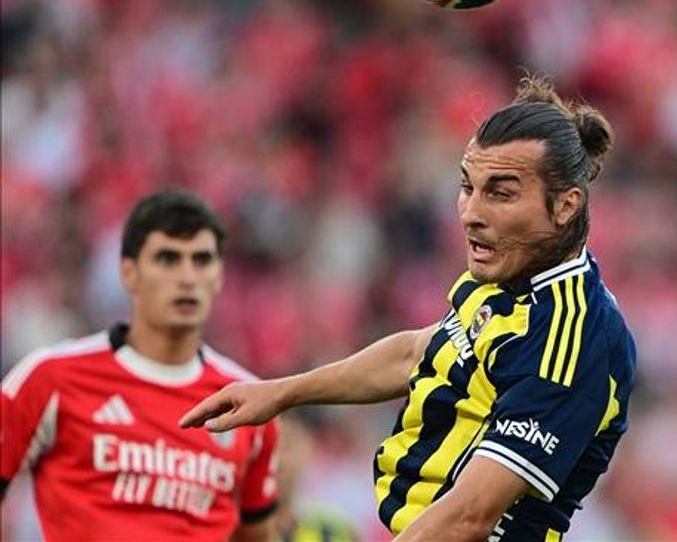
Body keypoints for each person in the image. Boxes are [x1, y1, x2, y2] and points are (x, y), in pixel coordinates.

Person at [181, 76, 637, 542]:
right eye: (468, 187)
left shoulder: (572, 338)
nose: (471, 213)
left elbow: (470, 516)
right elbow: (420, 353)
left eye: (500, 194)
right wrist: (281, 393)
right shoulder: (508, 277)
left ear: (565, 206)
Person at [0, 189, 280, 542]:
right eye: (168, 258)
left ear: (219, 276)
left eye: (202, 260)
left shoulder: (247, 401)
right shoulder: (50, 377)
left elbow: (256, 535)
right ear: (129, 273)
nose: (187, 277)